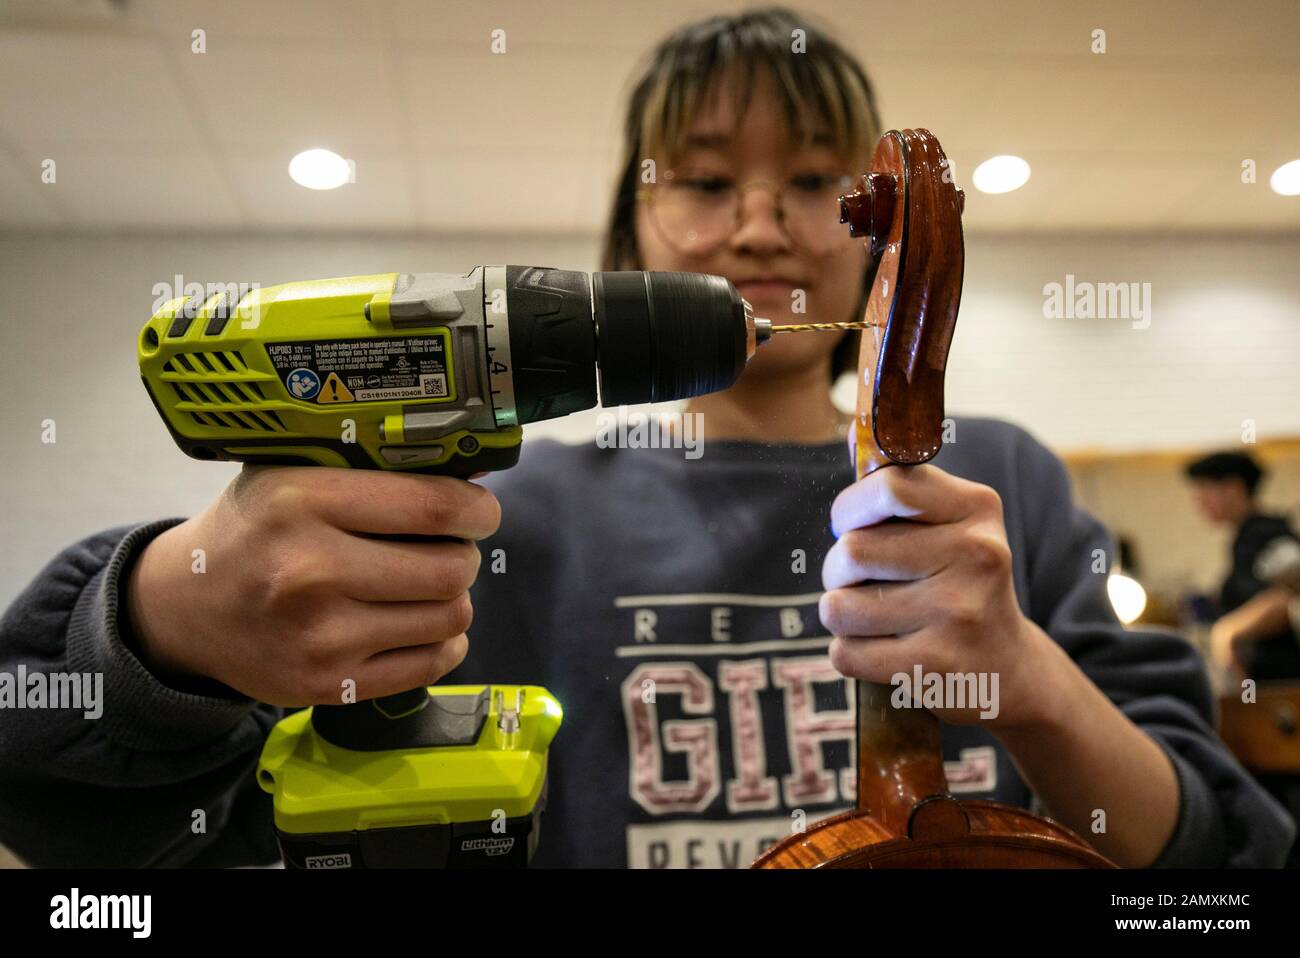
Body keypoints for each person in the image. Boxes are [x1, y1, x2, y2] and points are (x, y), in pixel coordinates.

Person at [0, 7, 1293, 870]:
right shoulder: (517, 496)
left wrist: (1029, 676)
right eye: (707, 177)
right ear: (637, 221)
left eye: (811, 182)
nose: (759, 225)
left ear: (878, 224)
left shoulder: (993, 474)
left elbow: (1218, 859)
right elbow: (87, 810)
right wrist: (176, 616)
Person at [1185, 450, 1300, 681]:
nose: (1199, 501)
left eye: (1205, 489)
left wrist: (1228, 631)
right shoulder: (1245, 537)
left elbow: (1288, 596)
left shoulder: (1264, 533)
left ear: (1234, 488)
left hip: (1284, 679)